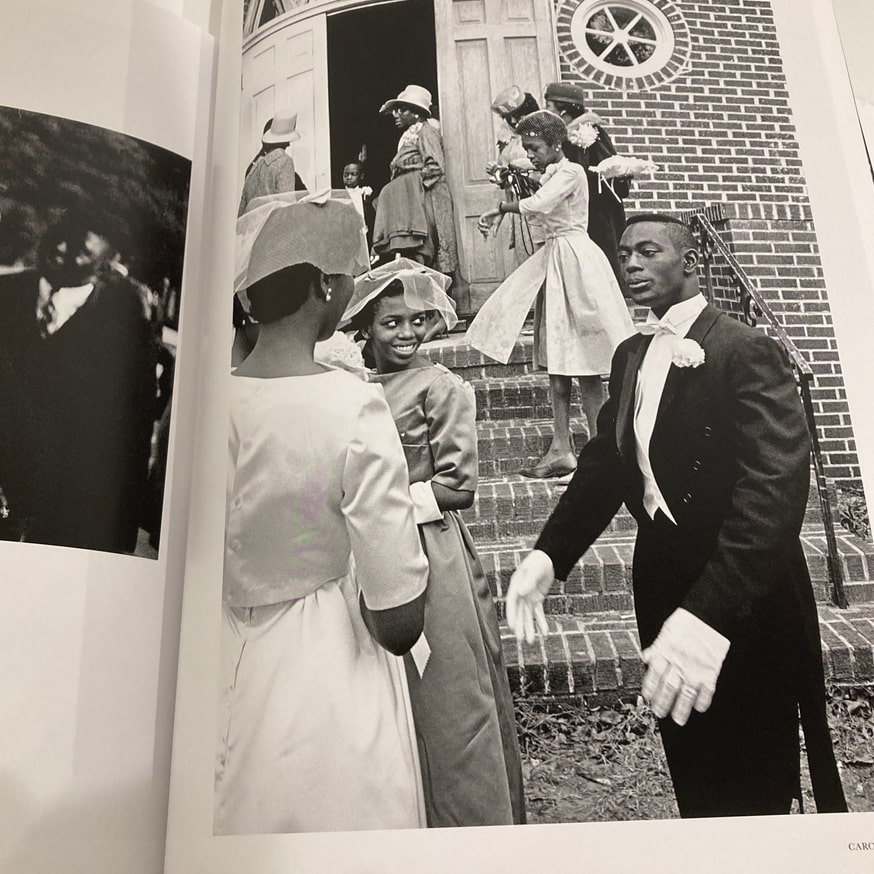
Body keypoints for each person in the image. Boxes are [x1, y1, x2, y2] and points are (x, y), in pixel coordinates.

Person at [506, 213, 848, 818]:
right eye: (624, 254)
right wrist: (547, 555)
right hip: (662, 583)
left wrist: (709, 615)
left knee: (756, 776)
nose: (630, 264)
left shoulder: (746, 349)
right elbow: (608, 465)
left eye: (647, 251)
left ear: (691, 263)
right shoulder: (630, 355)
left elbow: (775, 489)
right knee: (695, 766)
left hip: (745, 594)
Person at [215, 192, 430, 834]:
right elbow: (397, 620)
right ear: (322, 287)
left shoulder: (205, 401)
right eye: (346, 279)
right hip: (318, 667)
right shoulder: (352, 407)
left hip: (211, 652)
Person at [343, 258, 525, 827]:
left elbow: (458, 486)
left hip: (430, 546)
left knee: (448, 688)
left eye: (416, 322)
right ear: (366, 328)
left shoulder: (440, 387)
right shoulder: (352, 387)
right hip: (369, 547)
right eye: (390, 323)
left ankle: (471, 817)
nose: (405, 335)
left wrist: (388, 504)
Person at [469, 110, 634, 478]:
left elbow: (540, 206)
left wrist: (500, 209)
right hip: (556, 260)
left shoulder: (573, 172)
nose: (530, 156)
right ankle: (562, 447)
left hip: (576, 261)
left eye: (535, 148)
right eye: (527, 149)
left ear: (557, 145)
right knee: (556, 357)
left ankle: (599, 447)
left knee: (587, 361)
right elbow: (540, 207)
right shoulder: (550, 175)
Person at [0, 210, 156, 553]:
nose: (59, 249)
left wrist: (118, 540)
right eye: (57, 235)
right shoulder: (4, 294)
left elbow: (134, 436)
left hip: (67, 524)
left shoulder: (126, 328)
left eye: (78, 249)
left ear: (105, 262)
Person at [544, 82, 629, 281]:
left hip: (597, 212)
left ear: (563, 110)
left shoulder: (590, 133)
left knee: (599, 269)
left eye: (549, 107)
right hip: (576, 211)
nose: (546, 112)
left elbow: (609, 168)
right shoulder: (561, 137)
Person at [372, 85, 458, 277]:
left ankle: (437, 302)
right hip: (413, 201)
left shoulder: (426, 132)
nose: (396, 114)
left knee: (429, 249)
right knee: (414, 251)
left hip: (427, 198)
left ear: (417, 113)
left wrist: (409, 183)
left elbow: (435, 166)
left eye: (402, 109)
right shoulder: (410, 135)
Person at [487, 86, 544, 256]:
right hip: (518, 205)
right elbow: (505, 178)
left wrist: (521, 167)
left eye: (515, 117)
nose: (512, 122)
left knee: (541, 255)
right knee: (525, 256)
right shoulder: (509, 140)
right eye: (508, 118)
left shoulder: (542, 135)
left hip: (539, 201)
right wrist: (498, 174)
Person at [238, 111, 305, 216]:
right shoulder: (284, 161)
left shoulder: (252, 170)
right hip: (274, 230)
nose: (289, 145)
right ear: (287, 140)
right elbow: (287, 208)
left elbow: (241, 216)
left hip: (252, 231)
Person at [342, 159, 376, 251]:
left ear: (361, 176)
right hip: (345, 237)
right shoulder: (339, 196)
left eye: (353, 174)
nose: (349, 177)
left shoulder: (365, 195)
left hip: (363, 237)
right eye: (346, 175)